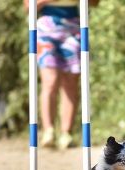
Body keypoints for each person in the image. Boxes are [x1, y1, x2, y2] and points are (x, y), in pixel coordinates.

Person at [25, 0, 99, 149]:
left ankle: (66, 133)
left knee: (71, 83)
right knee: (50, 81)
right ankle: (48, 130)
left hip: (73, 28)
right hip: (46, 27)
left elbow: (95, 2)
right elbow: (28, 6)